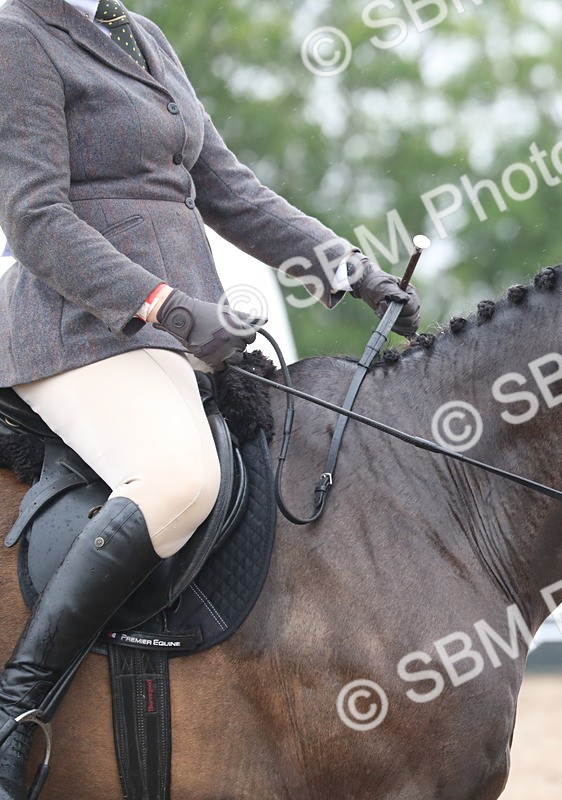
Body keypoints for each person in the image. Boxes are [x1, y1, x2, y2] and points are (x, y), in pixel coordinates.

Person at [0, 0, 419, 795]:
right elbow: (35, 220)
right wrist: (161, 301)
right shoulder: (17, 36)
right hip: (77, 328)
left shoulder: (138, 33)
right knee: (177, 478)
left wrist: (344, 265)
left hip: (181, 329)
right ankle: (14, 714)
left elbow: (226, 187)